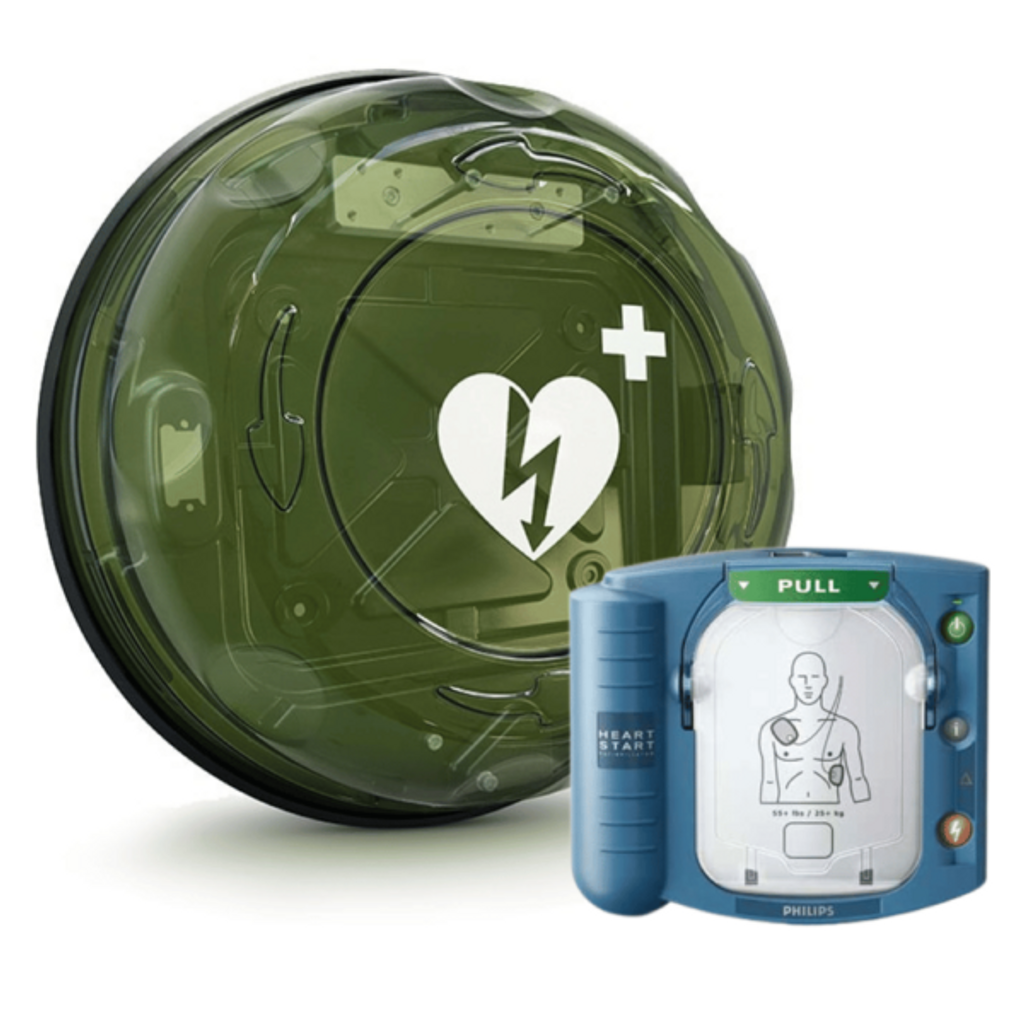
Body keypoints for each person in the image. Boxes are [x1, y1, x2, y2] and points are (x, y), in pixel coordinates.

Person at [758, 652, 870, 805]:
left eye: (814, 677)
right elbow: (769, 781)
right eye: (802, 677)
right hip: (787, 806)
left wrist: (865, 812)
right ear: (792, 681)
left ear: (824, 681)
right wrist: (766, 812)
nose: (808, 684)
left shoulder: (845, 728)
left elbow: (857, 778)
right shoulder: (771, 729)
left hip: (831, 809)